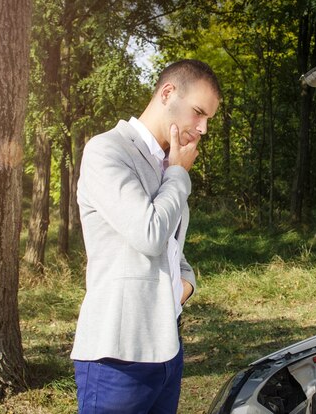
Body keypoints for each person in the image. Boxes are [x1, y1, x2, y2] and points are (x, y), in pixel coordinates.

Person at [71, 59, 221, 413]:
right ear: (167, 93)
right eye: (198, 113)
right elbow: (150, 233)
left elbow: (171, 245)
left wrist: (187, 282)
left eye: (208, 120)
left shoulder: (167, 164)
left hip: (167, 348)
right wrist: (179, 176)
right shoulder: (107, 150)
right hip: (118, 356)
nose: (202, 129)